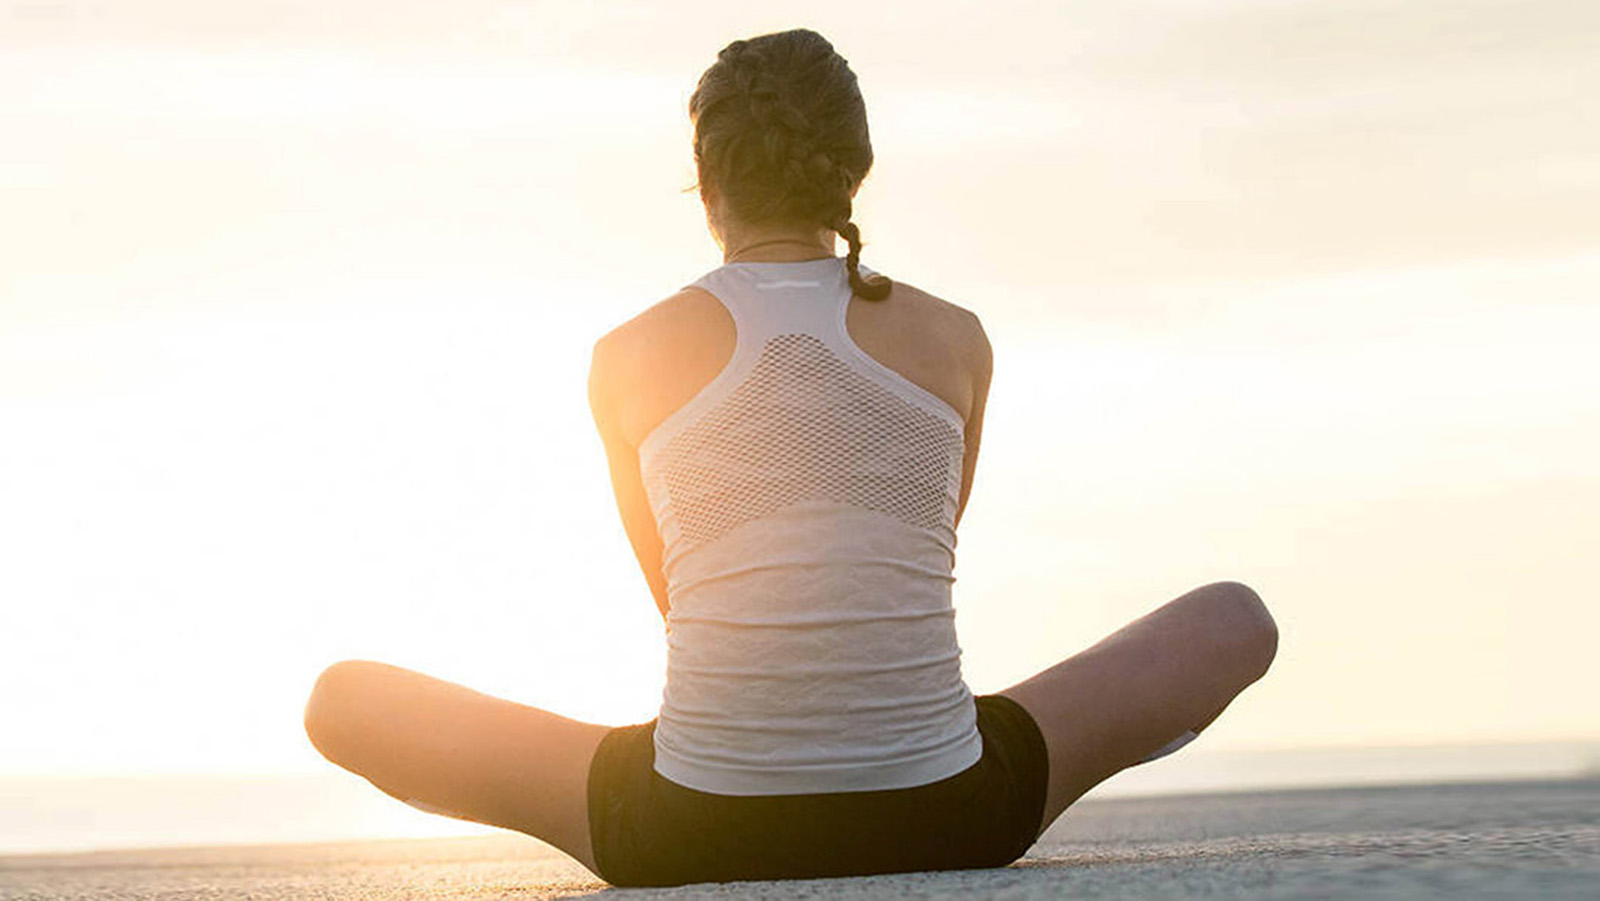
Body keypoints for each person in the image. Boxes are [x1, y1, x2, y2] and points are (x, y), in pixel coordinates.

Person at [303, 28, 1277, 887]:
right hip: (952, 805)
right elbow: (919, 549)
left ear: (706, 174)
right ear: (852, 168)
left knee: (340, 700)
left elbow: (679, 596)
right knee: (1236, 617)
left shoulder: (629, 355)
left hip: (687, 825)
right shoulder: (953, 337)